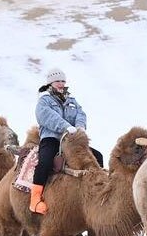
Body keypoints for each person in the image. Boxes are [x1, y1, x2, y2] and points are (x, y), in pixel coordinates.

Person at [30, 67, 103, 214]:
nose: (61, 84)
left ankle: (97, 192)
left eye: (63, 81)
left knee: (97, 156)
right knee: (44, 162)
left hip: (71, 141)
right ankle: (35, 199)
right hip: (51, 138)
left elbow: (80, 114)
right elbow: (47, 116)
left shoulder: (72, 100)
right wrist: (66, 127)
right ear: (50, 83)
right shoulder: (44, 101)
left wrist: (80, 127)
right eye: (58, 81)